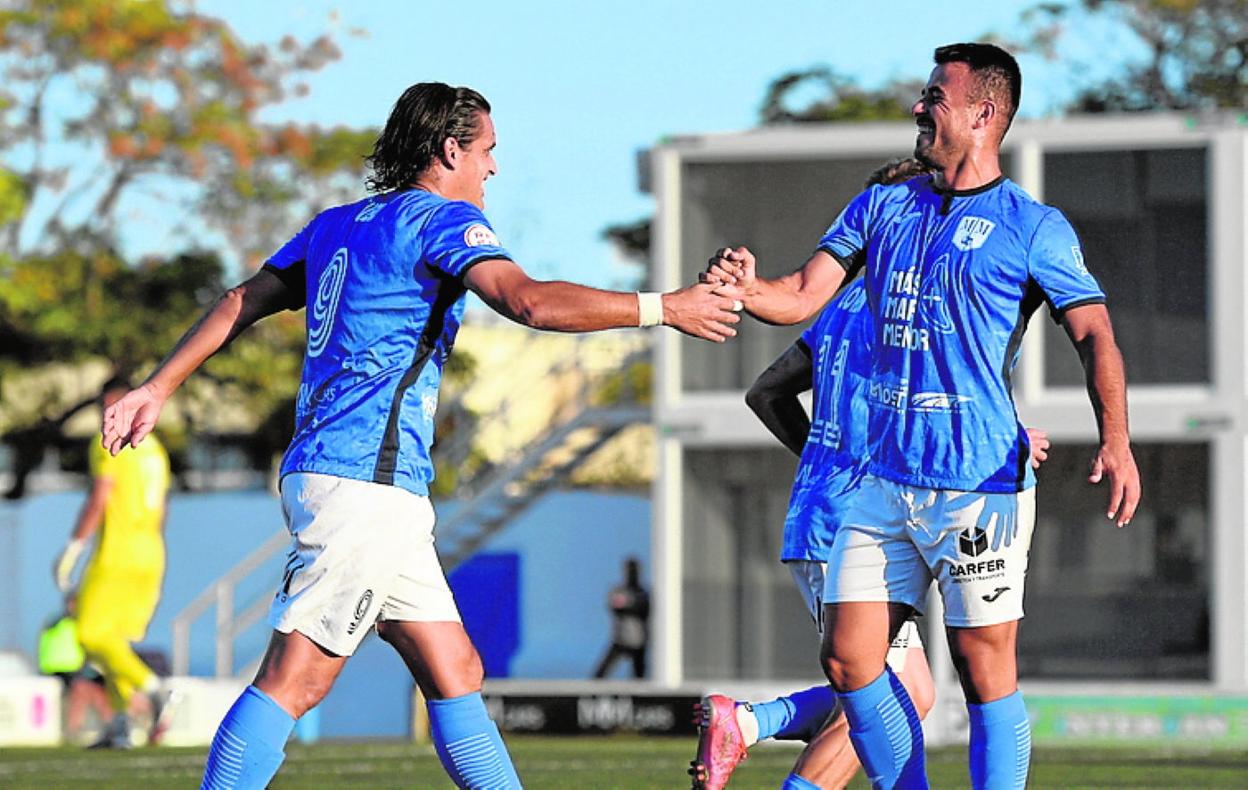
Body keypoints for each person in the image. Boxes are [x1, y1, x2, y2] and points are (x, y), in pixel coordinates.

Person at [100, 82, 740, 789]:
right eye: (489, 151)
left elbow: (239, 300)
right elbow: (527, 301)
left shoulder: (336, 224)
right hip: (363, 483)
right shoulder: (440, 223)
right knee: (296, 678)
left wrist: (157, 387)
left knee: (455, 669)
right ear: (450, 149)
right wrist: (663, 306)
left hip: (355, 478)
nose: (493, 168)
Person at [704, 43, 1140, 789]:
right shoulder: (882, 205)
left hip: (977, 485)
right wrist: (749, 290)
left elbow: (1094, 330)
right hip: (880, 484)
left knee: (981, 665)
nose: (919, 107)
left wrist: (1117, 438)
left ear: (982, 114)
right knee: (849, 660)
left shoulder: (1034, 226)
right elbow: (802, 297)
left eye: (935, 95)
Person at [691, 159, 1050, 790]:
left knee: (882, 686)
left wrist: (820, 463)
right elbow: (931, 406)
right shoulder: (899, 311)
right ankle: (748, 722)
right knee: (894, 690)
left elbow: (767, 392)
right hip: (870, 510)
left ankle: (748, 722)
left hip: (822, 508)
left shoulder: (838, 307)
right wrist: (1006, 438)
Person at [54, 375, 173, 748]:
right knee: (115, 643)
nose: (110, 414)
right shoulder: (155, 448)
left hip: (117, 552)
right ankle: (122, 725)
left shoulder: (110, 441)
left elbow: (101, 496)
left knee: (89, 633)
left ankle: (154, 691)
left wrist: (74, 546)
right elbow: (163, 509)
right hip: (151, 552)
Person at [593, 557, 651, 679]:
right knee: (600, 673)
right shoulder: (619, 591)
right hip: (620, 638)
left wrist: (630, 604)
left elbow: (644, 609)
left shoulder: (643, 593)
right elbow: (615, 606)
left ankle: (639, 698)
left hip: (638, 640)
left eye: (634, 570)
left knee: (639, 676)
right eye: (629, 570)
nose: (631, 573)